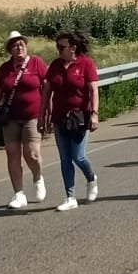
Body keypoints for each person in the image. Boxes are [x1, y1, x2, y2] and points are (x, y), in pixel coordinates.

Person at [0, 31, 48, 209]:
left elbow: (47, 88)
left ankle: (38, 178)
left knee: (32, 154)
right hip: (10, 119)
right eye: (15, 45)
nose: (19, 47)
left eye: (21, 44)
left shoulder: (36, 63)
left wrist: (48, 112)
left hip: (33, 116)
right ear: (9, 50)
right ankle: (18, 193)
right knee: (12, 155)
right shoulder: (4, 69)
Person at [46, 31, 100, 211]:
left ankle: (91, 178)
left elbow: (93, 90)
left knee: (78, 156)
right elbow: (47, 92)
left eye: (62, 47)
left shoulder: (86, 64)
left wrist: (94, 113)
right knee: (65, 159)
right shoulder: (55, 65)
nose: (58, 50)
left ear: (73, 48)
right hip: (60, 117)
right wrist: (42, 116)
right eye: (57, 47)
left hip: (79, 117)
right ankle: (70, 197)